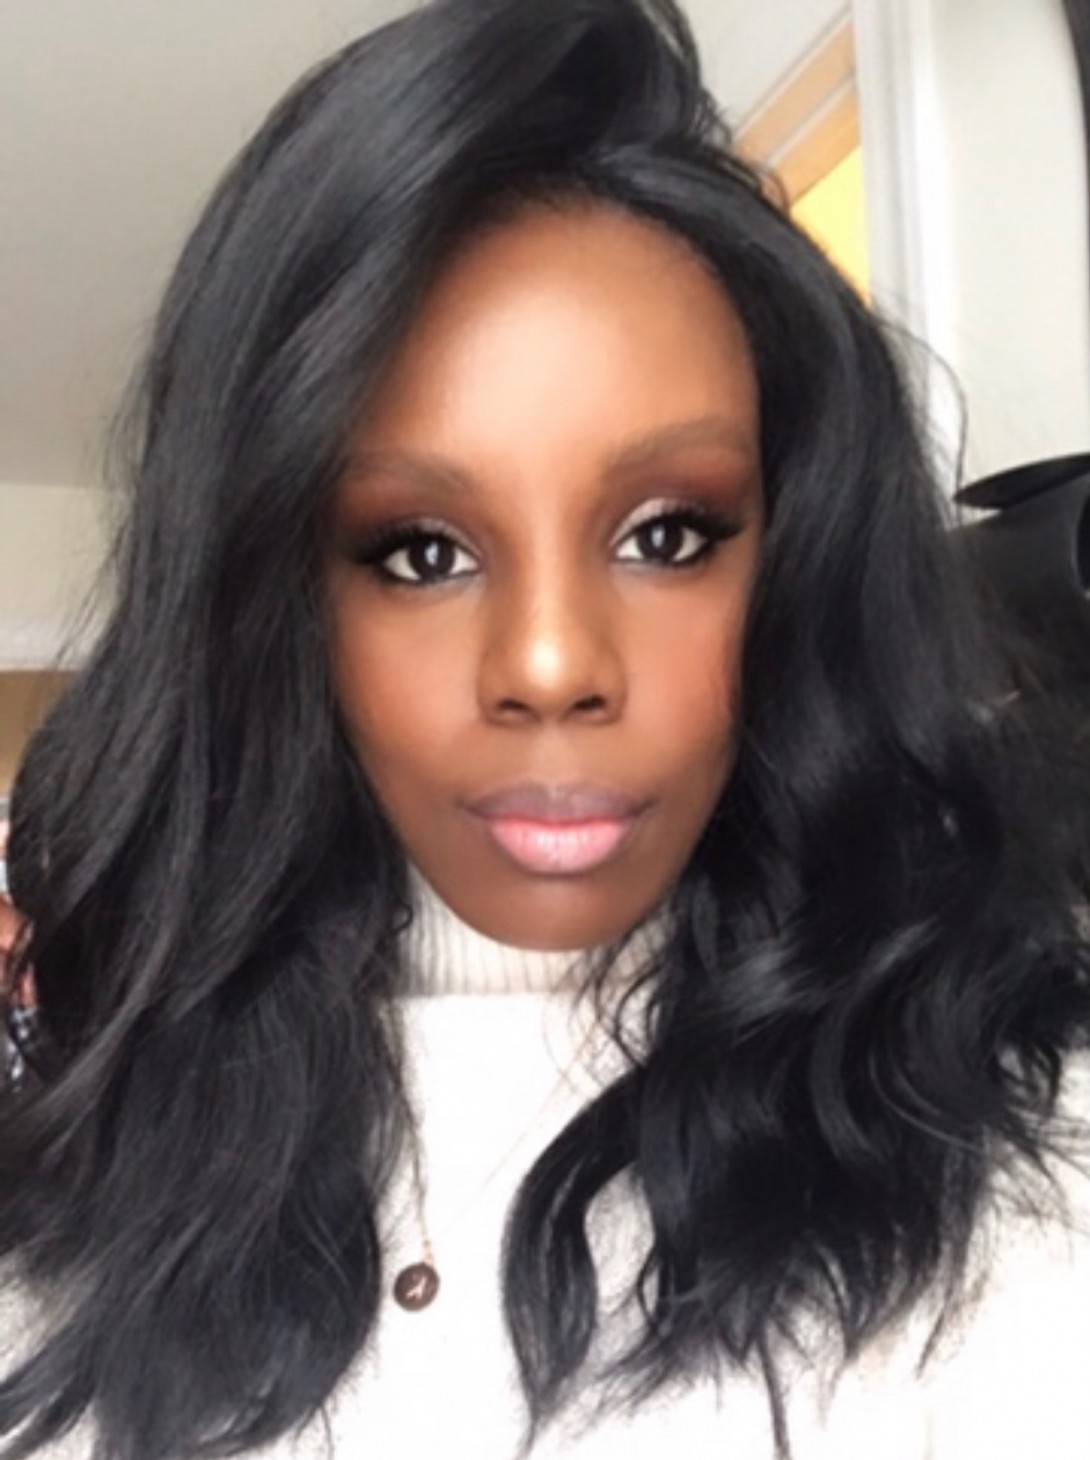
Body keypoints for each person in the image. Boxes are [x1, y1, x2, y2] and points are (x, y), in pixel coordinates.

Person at [1, 0, 1089, 1456]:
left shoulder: (1020, 1168)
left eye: (667, 533)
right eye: (419, 551)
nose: (551, 664)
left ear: (793, 564)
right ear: (274, 605)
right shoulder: (88, 1185)